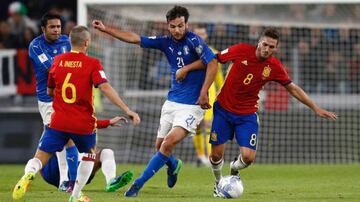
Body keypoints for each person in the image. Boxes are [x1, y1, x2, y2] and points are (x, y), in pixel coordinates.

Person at [179, 27, 337, 197]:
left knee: (247, 158)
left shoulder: (274, 66)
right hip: (223, 110)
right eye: (265, 44)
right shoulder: (240, 50)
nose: (267, 49)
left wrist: (315, 107)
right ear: (259, 42)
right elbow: (212, 60)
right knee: (216, 156)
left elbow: (292, 88)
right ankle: (219, 184)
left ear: (276, 48)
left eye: (271, 47)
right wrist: (187, 69)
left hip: (247, 115)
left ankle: (233, 168)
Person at [92, 5, 218, 197]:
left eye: (181, 25)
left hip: (192, 106)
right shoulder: (165, 42)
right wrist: (106, 29)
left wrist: (201, 90)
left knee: (167, 144)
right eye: (173, 26)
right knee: (160, 147)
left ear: (186, 24)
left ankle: (138, 184)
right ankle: (174, 165)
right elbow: (135, 38)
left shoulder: (194, 40)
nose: (177, 30)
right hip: (172, 102)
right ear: (167, 26)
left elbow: (213, 62)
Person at [12, 25, 141, 202]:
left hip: (58, 121)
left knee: (40, 157)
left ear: (70, 42)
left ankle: (28, 174)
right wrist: (127, 109)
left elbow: (49, 91)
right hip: (82, 123)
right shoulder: (93, 63)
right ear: (87, 42)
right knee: (89, 155)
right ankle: (75, 194)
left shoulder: (57, 61)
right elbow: (105, 87)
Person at [28, 12, 77, 192]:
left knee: (60, 136)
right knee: (62, 137)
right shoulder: (36, 46)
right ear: (43, 29)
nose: (56, 30)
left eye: (58, 26)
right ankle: (64, 179)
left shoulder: (67, 41)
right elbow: (51, 68)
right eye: (52, 27)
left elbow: (77, 62)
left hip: (66, 97)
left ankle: (30, 172)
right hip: (48, 99)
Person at [41, 116, 134, 193]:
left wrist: (108, 122)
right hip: (54, 171)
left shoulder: (85, 121)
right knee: (63, 139)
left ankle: (111, 181)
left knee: (107, 152)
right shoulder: (65, 119)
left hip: (81, 172)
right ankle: (63, 180)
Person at [192, 26, 224, 166]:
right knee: (196, 126)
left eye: (202, 34)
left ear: (206, 36)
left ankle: (210, 157)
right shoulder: (188, 52)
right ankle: (200, 156)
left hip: (209, 93)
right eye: (197, 34)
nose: (200, 37)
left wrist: (221, 92)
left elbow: (218, 77)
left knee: (208, 125)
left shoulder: (214, 53)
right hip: (192, 93)